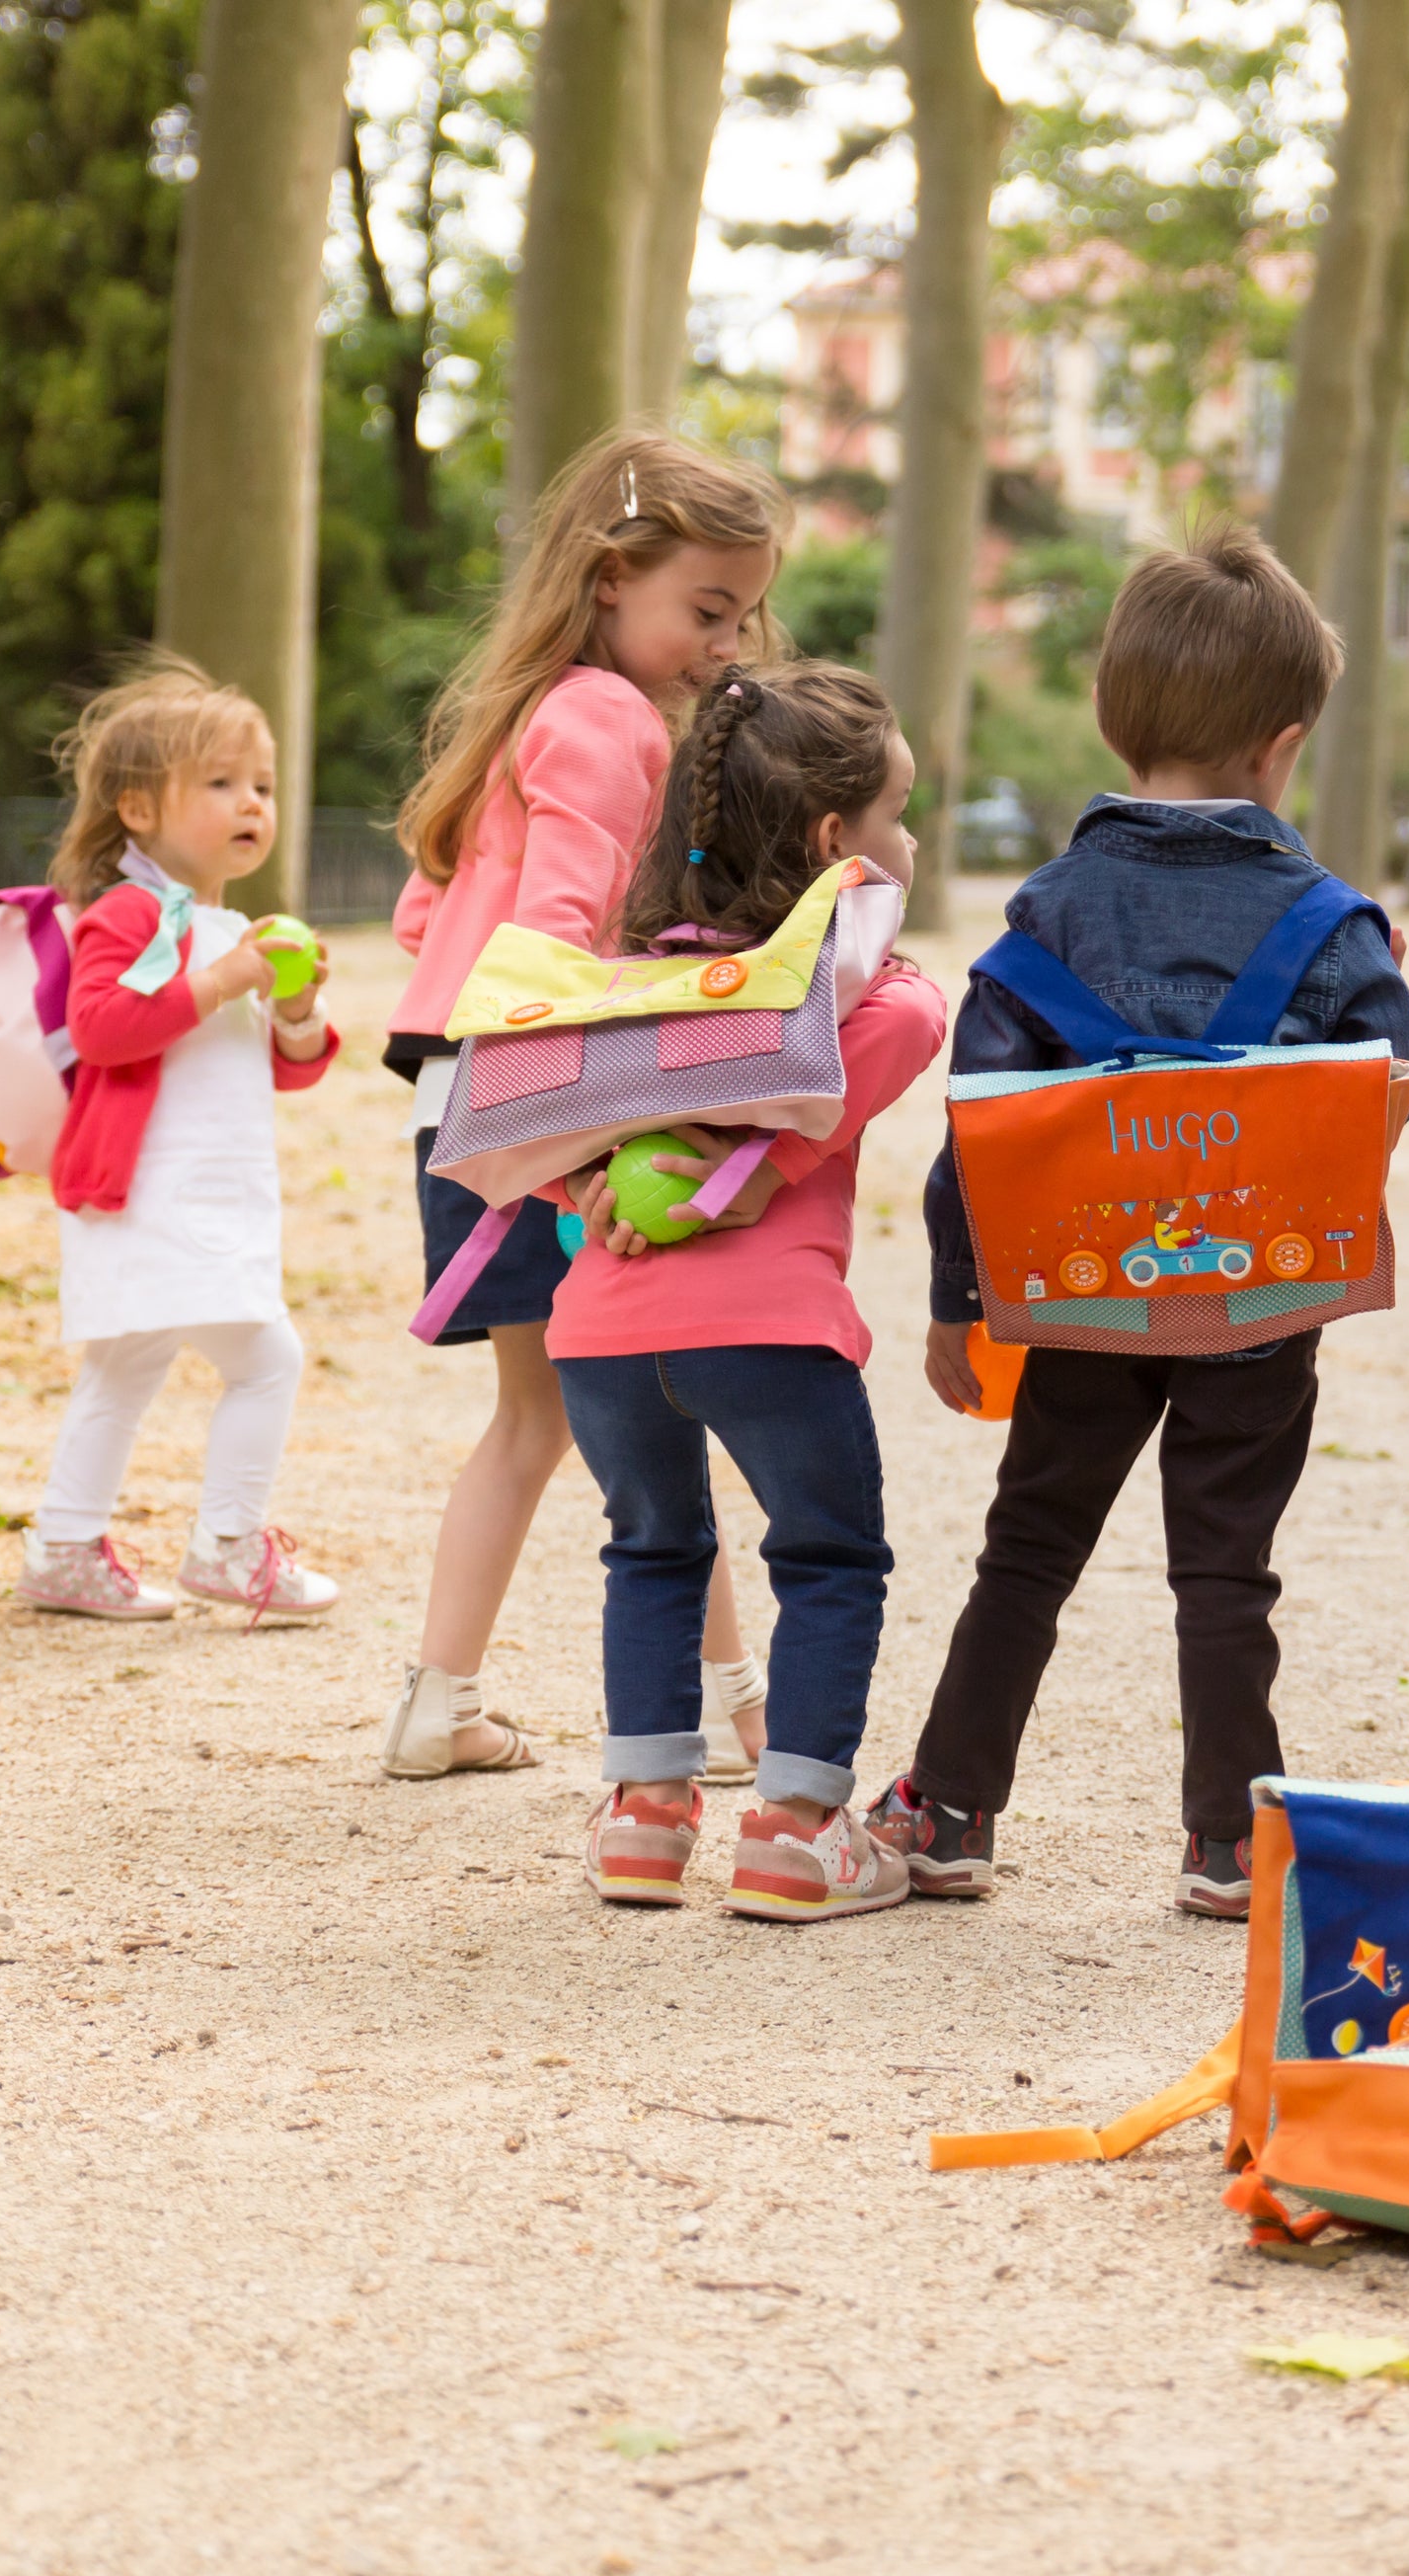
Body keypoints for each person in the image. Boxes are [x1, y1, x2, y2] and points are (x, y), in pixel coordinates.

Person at [875, 526, 1409, 1918]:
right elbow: (1396, 1091)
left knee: (1031, 1550)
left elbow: (976, 1125)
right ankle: (1233, 1841)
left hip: (1080, 1297)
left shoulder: (1052, 910)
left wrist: (961, 1300)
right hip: (1257, 1296)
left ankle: (949, 1806)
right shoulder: (1331, 922)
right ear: (1283, 746)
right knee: (1226, 1567)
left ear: (1117, 723)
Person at [378, 430, 785, 1784]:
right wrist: (608, 1125)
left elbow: (428, 912)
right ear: (612, 579)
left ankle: (446, 1702)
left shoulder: (531, 710)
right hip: (536, 1102)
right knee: (658, 1404)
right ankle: (739, 1717)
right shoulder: (610, 720)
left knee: (552, 1419)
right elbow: (557, 937)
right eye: (706, 610)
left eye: (742, 614)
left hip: (461, 1092)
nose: (728, 642)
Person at [555, 664, 952, 1919]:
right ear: (839, 844)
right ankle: (791, 1829)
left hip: (604, 1335)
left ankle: (645, 1816)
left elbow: (529, 1108)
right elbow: (913, 1019)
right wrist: (769, 1169)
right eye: (896, 813)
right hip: (768, 1330)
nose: (912, 838)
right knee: (831, 1557)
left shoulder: (632, 987)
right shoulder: (842, 999)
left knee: (652, 1553)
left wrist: (586, 1191)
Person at [22, 659, 344, 1624]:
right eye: (220, 783)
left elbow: (286, 1067)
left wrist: (293, 1006)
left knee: (124, 1369)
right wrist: (225, 978)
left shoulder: (231, 924)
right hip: (153, 1193)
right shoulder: (127, 915)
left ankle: (64, 1549)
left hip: (205, 1194)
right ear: (137, 808)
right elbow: (103, 1030)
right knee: (266, 1360)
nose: (250, 803)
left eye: (262, 786)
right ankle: (230, 1544)